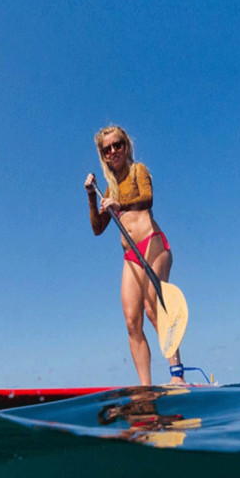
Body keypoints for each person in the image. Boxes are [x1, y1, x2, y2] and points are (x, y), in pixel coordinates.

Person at [85, 124, 186, 385]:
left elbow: (148, 199)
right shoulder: (108, 190)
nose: (113, 151)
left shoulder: (137, 170)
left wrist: (120, 205)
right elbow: (98, 229)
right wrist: (90, 196)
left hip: (153, 244)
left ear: (126, 145)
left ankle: (177, 376)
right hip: (130, 256)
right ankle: (146, 387)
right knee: (132, 321)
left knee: (153, 308)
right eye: (107, 149)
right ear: (103, 155)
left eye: (117, 145)